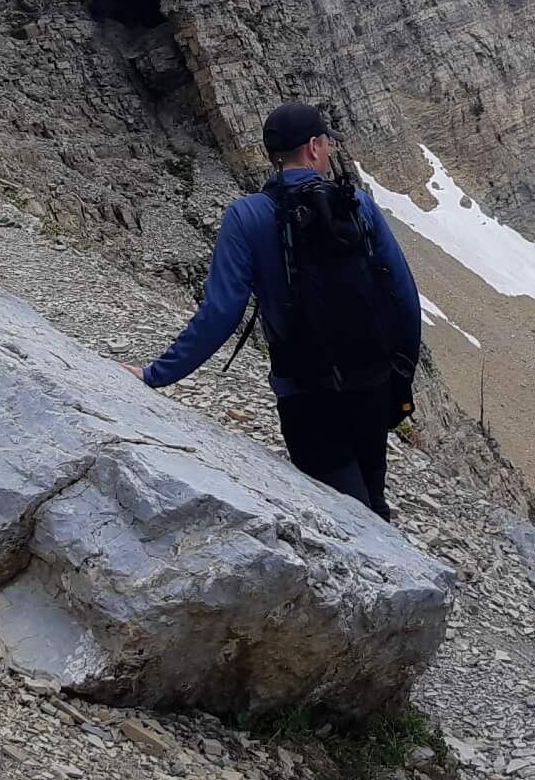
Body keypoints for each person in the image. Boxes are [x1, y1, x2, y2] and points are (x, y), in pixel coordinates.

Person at [141, 102, 422, 519]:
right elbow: (404, 296)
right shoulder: (357, 204)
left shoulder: (246, 216)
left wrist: (155, 376)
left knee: (343, 514)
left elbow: (221, 313)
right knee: (373, 503)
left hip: (304, 394)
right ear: (312, 147)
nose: (330, 152)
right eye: (327, 144)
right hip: (371, 384)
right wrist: (400, 378)